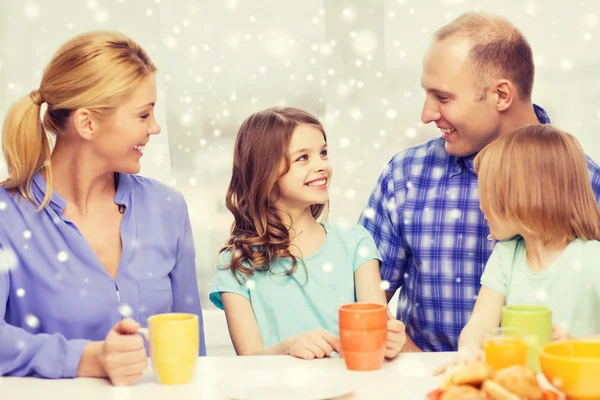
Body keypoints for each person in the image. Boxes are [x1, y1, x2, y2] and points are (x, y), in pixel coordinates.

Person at [358, 12, 600, 352]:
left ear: (501, 95)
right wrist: (420, 367)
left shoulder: (585, 181)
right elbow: (360, 301)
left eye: (442, 97)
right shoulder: (405, 177)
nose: (426, 114)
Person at [0, 31, 206, 385]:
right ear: (87, 122)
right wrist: (86, 358)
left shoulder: (166, 208)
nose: (155, 128)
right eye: (143, 115)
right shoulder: (8, 219)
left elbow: (192, 349)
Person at [209, 107, 406, 359]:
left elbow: (378, 327)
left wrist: (389, 337)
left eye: (323, 153)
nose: (322, 165)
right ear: (264, 171)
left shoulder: (357, 244)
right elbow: (249, 359)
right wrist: (287, 348)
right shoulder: (236, 264)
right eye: (303, 158)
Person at [458, 124, 600, 358]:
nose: (481, 205)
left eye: (489, 194)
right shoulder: (506, 256)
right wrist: (470, 349)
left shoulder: (592, 257)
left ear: (524, 195)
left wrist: (577, 344)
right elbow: (480, 326)